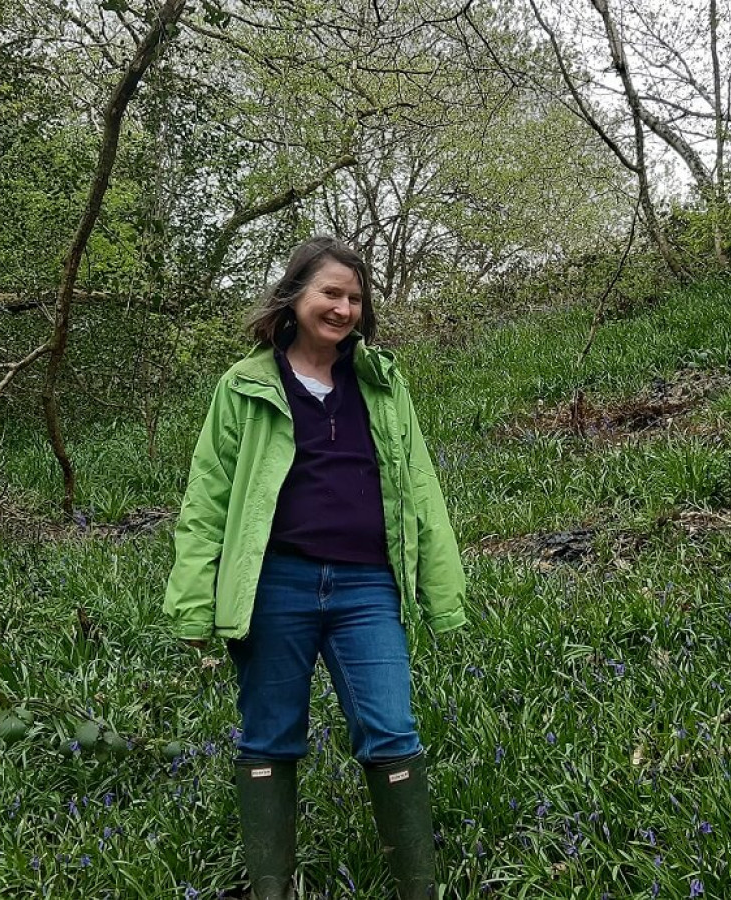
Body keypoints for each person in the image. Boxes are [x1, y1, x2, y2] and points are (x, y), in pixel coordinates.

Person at [163, 235, 466, 900]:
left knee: (392, 730)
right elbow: (207, 496)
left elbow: (420, 488)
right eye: (331, 292)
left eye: (355, 297)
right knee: (270, 736)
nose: (344, 308)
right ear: (295, 295)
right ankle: (271, 888)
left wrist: (442, 591)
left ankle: (419, 888)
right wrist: (191, 602)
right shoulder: (242, 387)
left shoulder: (382, 382)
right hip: (278, 584)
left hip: (367, 587)